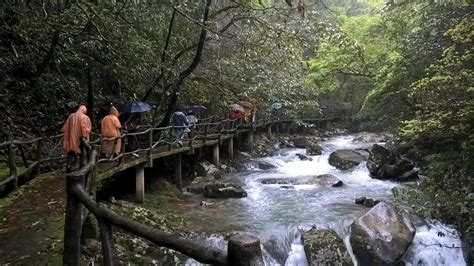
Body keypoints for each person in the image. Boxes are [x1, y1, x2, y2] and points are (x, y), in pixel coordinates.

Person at [61, 105, 92, 172]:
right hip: (80, 138)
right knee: (81, 152)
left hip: (71, 137)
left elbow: (66, 126)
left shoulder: (71, 116)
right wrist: (85, 136)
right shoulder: (85, 117)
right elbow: (85, 128)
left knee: (71, 151)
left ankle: (68, 166)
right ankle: (79, 167)